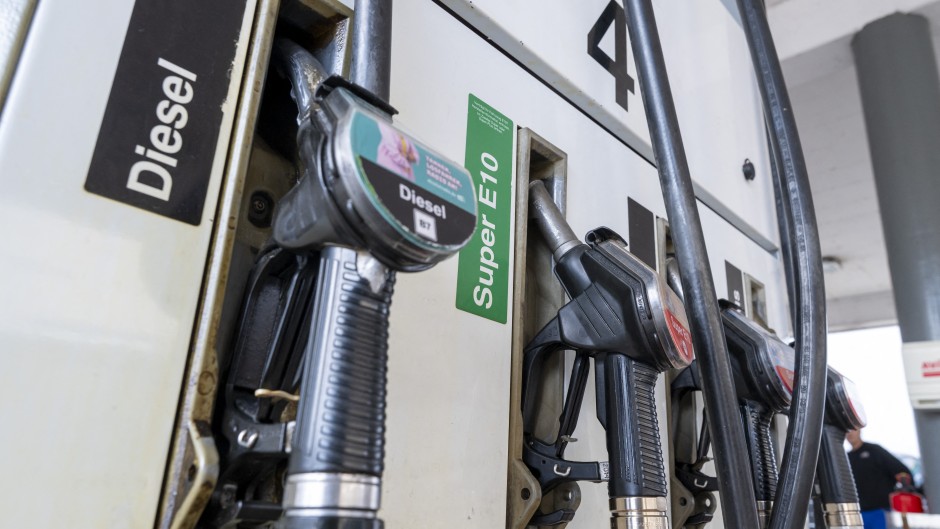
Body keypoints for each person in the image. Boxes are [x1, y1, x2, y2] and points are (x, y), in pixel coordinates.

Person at [846, 428, 914, 512]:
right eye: (847, 431)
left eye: (853, 430)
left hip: (882, 509)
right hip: (860, 510)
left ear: (859, 430)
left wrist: (905, 487)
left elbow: (901, 471)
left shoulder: (874, 450)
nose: (850, 433)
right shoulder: (846, 458)